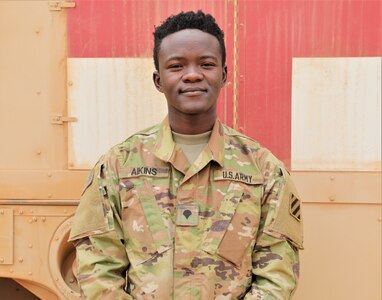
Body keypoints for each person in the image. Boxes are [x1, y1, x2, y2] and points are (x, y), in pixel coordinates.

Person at [69, 10, 303, 300]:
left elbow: (276, 277)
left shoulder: (264, 170)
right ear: (158, 80)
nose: (192, 74)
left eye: (206, 64)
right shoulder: (118, 165)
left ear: (224, 74)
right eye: (177, 66)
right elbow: (97, 271)